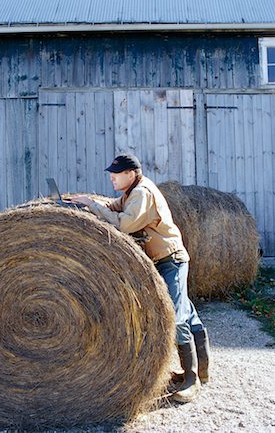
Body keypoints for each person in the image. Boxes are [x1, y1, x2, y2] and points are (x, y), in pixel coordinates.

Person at [71, 153, 210, 403]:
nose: (112, 178)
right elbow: (118, 206)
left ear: (131, 174)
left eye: (116, 174)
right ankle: (202, 370)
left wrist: (94, 207)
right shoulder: (132, 191)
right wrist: (90, 202)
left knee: (176, 317)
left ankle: (192, 379)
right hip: (165, 257)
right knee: (187, 311)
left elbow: (125, 224)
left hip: (171, 259)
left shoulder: (142, 193)